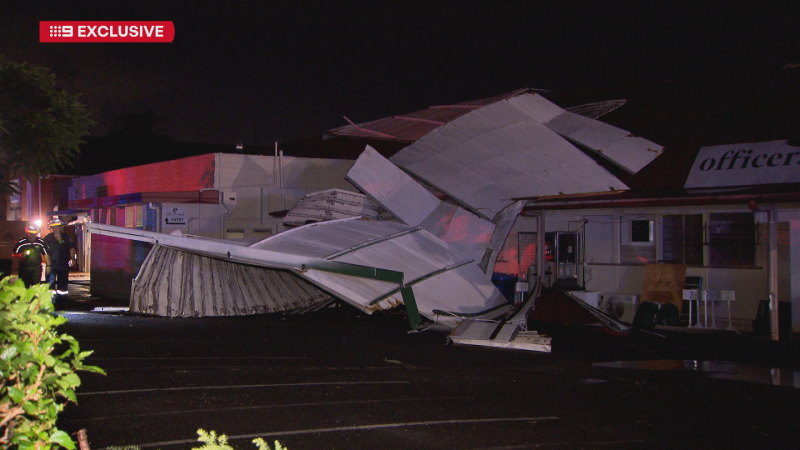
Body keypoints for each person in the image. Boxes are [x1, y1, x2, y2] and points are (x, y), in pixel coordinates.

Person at [43, 218, 77, 303]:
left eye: (57, 227)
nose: (56, 229)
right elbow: (43, 251)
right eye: (54, 227)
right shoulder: (47, 238)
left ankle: (62, 301)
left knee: (63, 284)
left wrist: (73, 258)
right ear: (51, 228)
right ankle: (50, 301)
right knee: (50, 283)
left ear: (61, 227)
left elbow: (71, 248)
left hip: (63, 264)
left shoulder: (66, 237)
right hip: (51, 265)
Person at [11, 222, 50, 288]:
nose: (32, 235)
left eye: (34, 234)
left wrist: (49, 266)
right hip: (24, 268)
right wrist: (21, 255)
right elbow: (14, 254)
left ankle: (35, 298)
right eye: (31, 233)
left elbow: (46, 254)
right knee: (24, 287)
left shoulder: (40, 242)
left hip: (36, 268)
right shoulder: (21, 242)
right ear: (27, 233)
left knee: (36, 287)